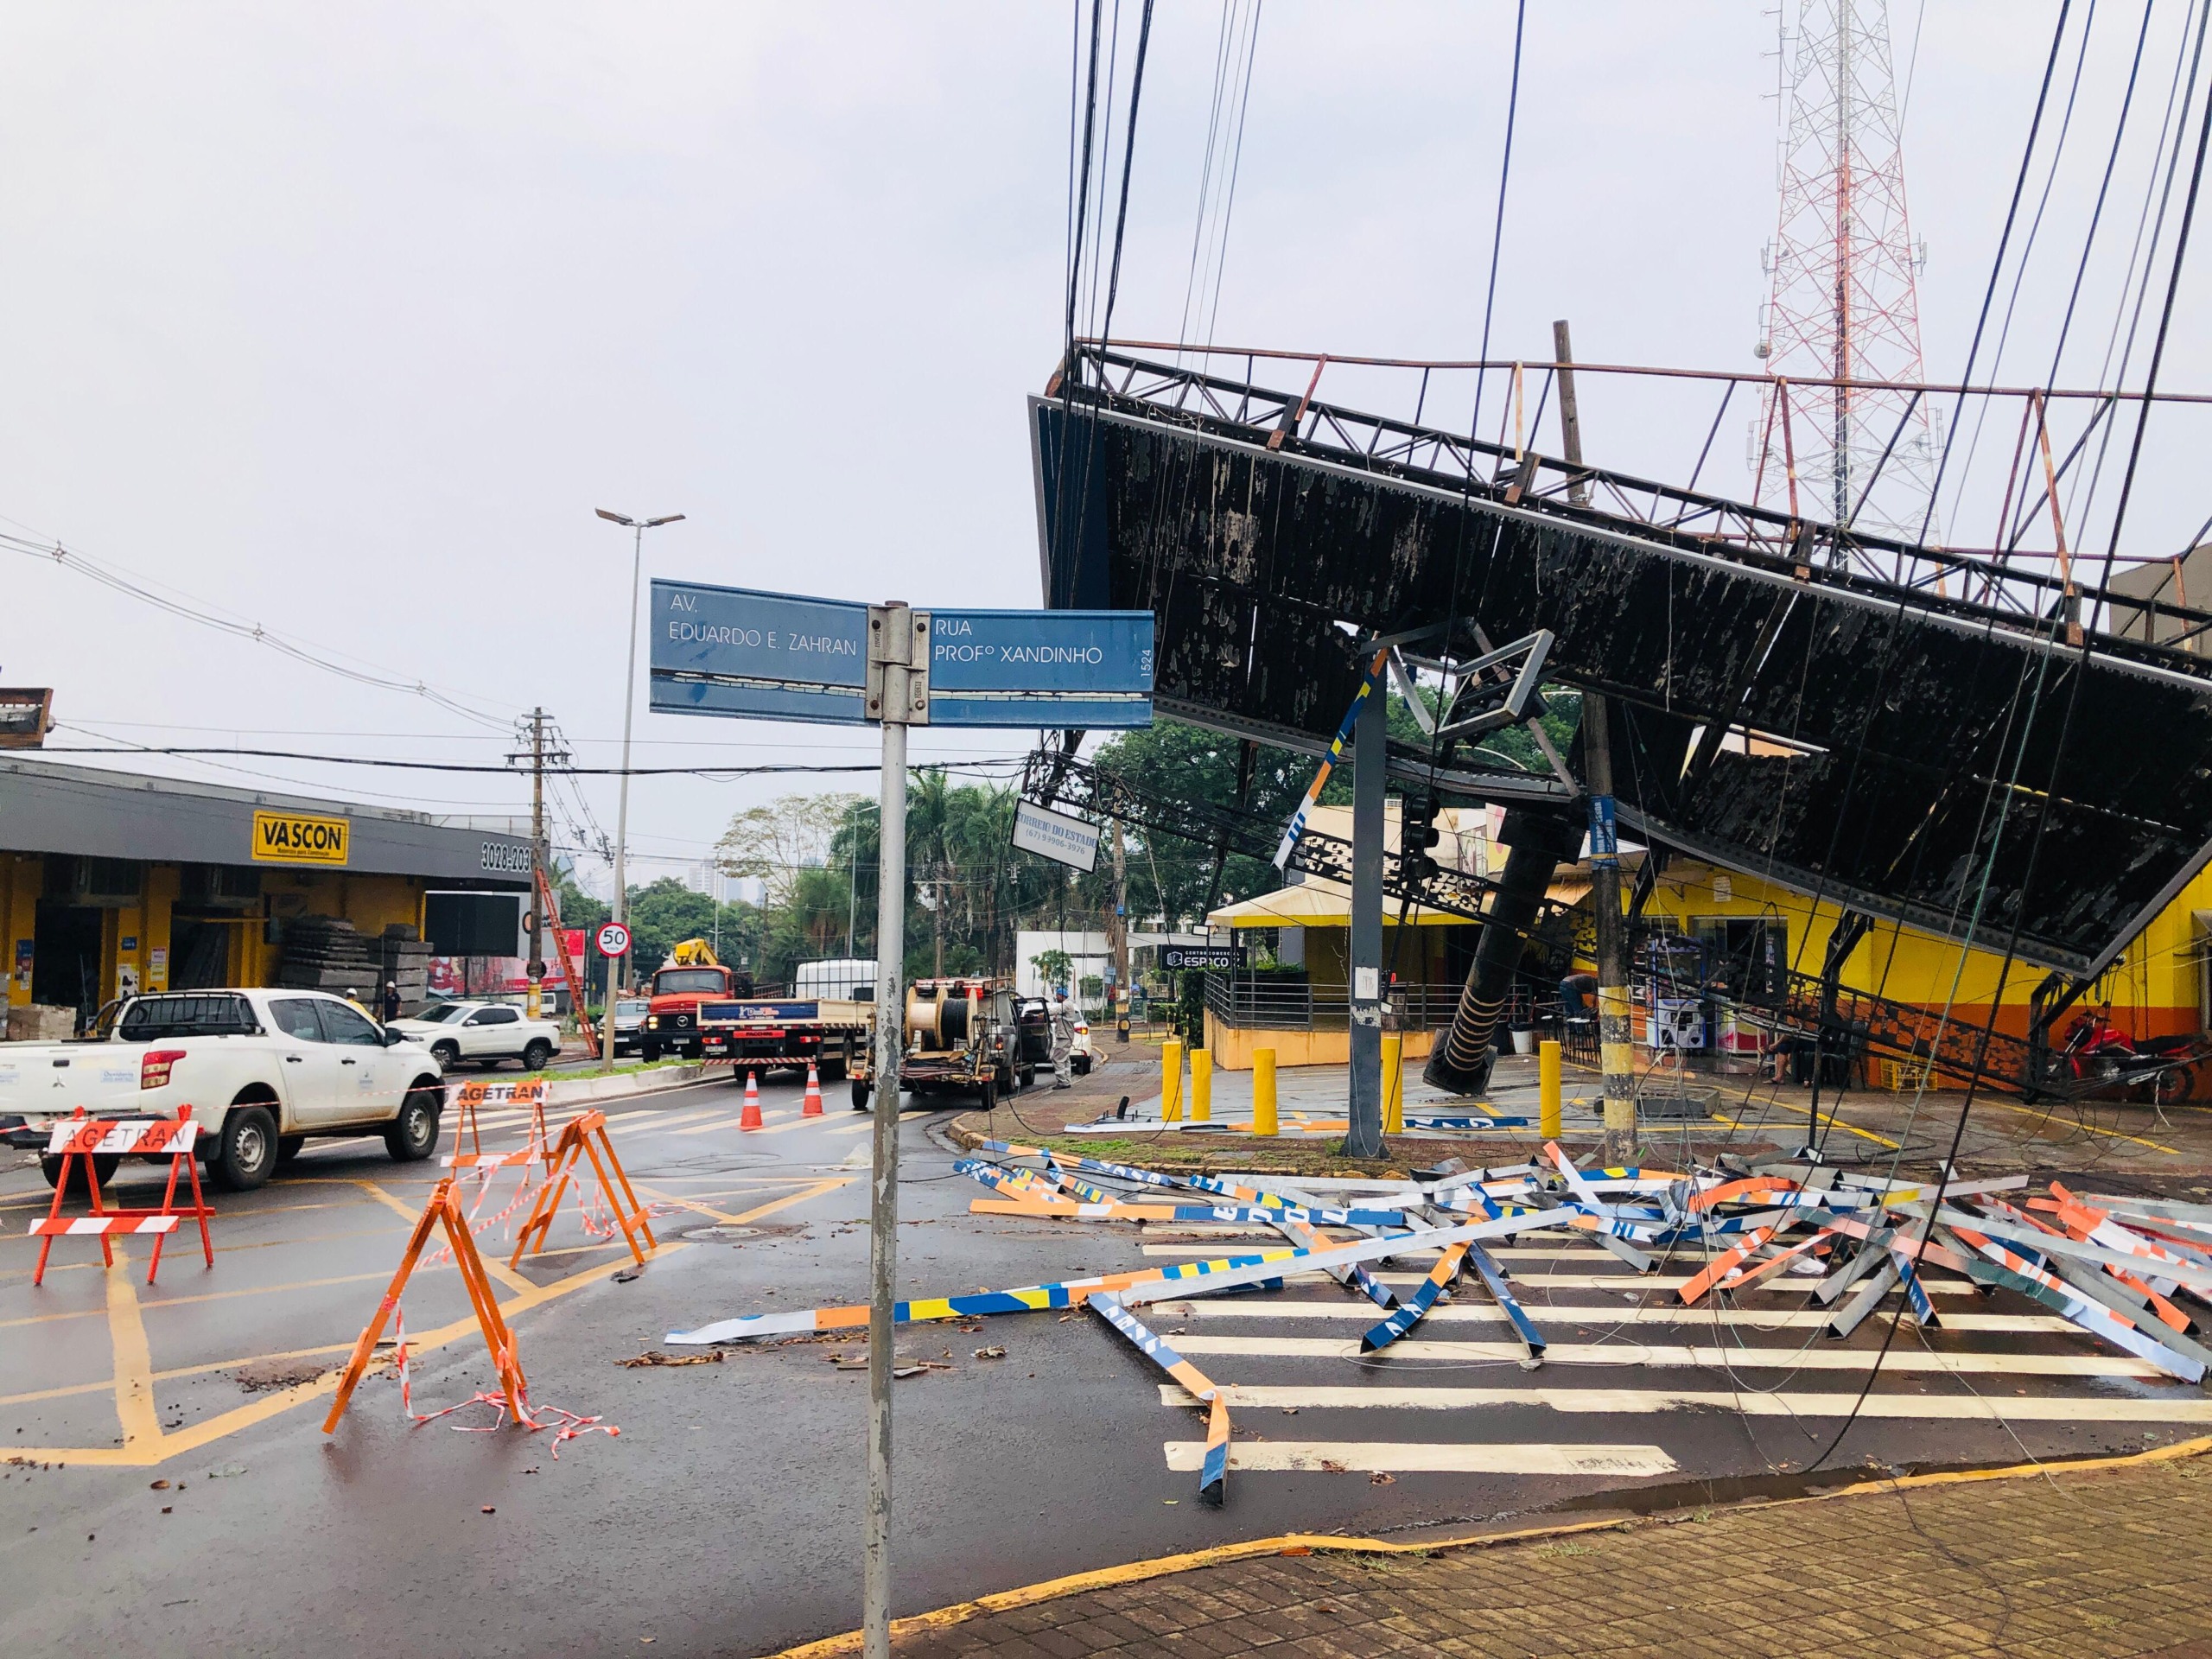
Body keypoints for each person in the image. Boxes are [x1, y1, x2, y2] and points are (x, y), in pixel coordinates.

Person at [1050, 990, 1076, 1090]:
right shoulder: (1067, 1005)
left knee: (1057, 1059)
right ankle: (1067, 1081)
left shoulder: (1066, 1004)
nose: (1056, 997)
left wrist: (1043, 1012)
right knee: (1065, 1060)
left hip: (1065, 1036)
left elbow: (1055, 1010)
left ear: (1062, 995)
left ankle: (1063, 1082)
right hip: (1065, 1036)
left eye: (1057, 995)